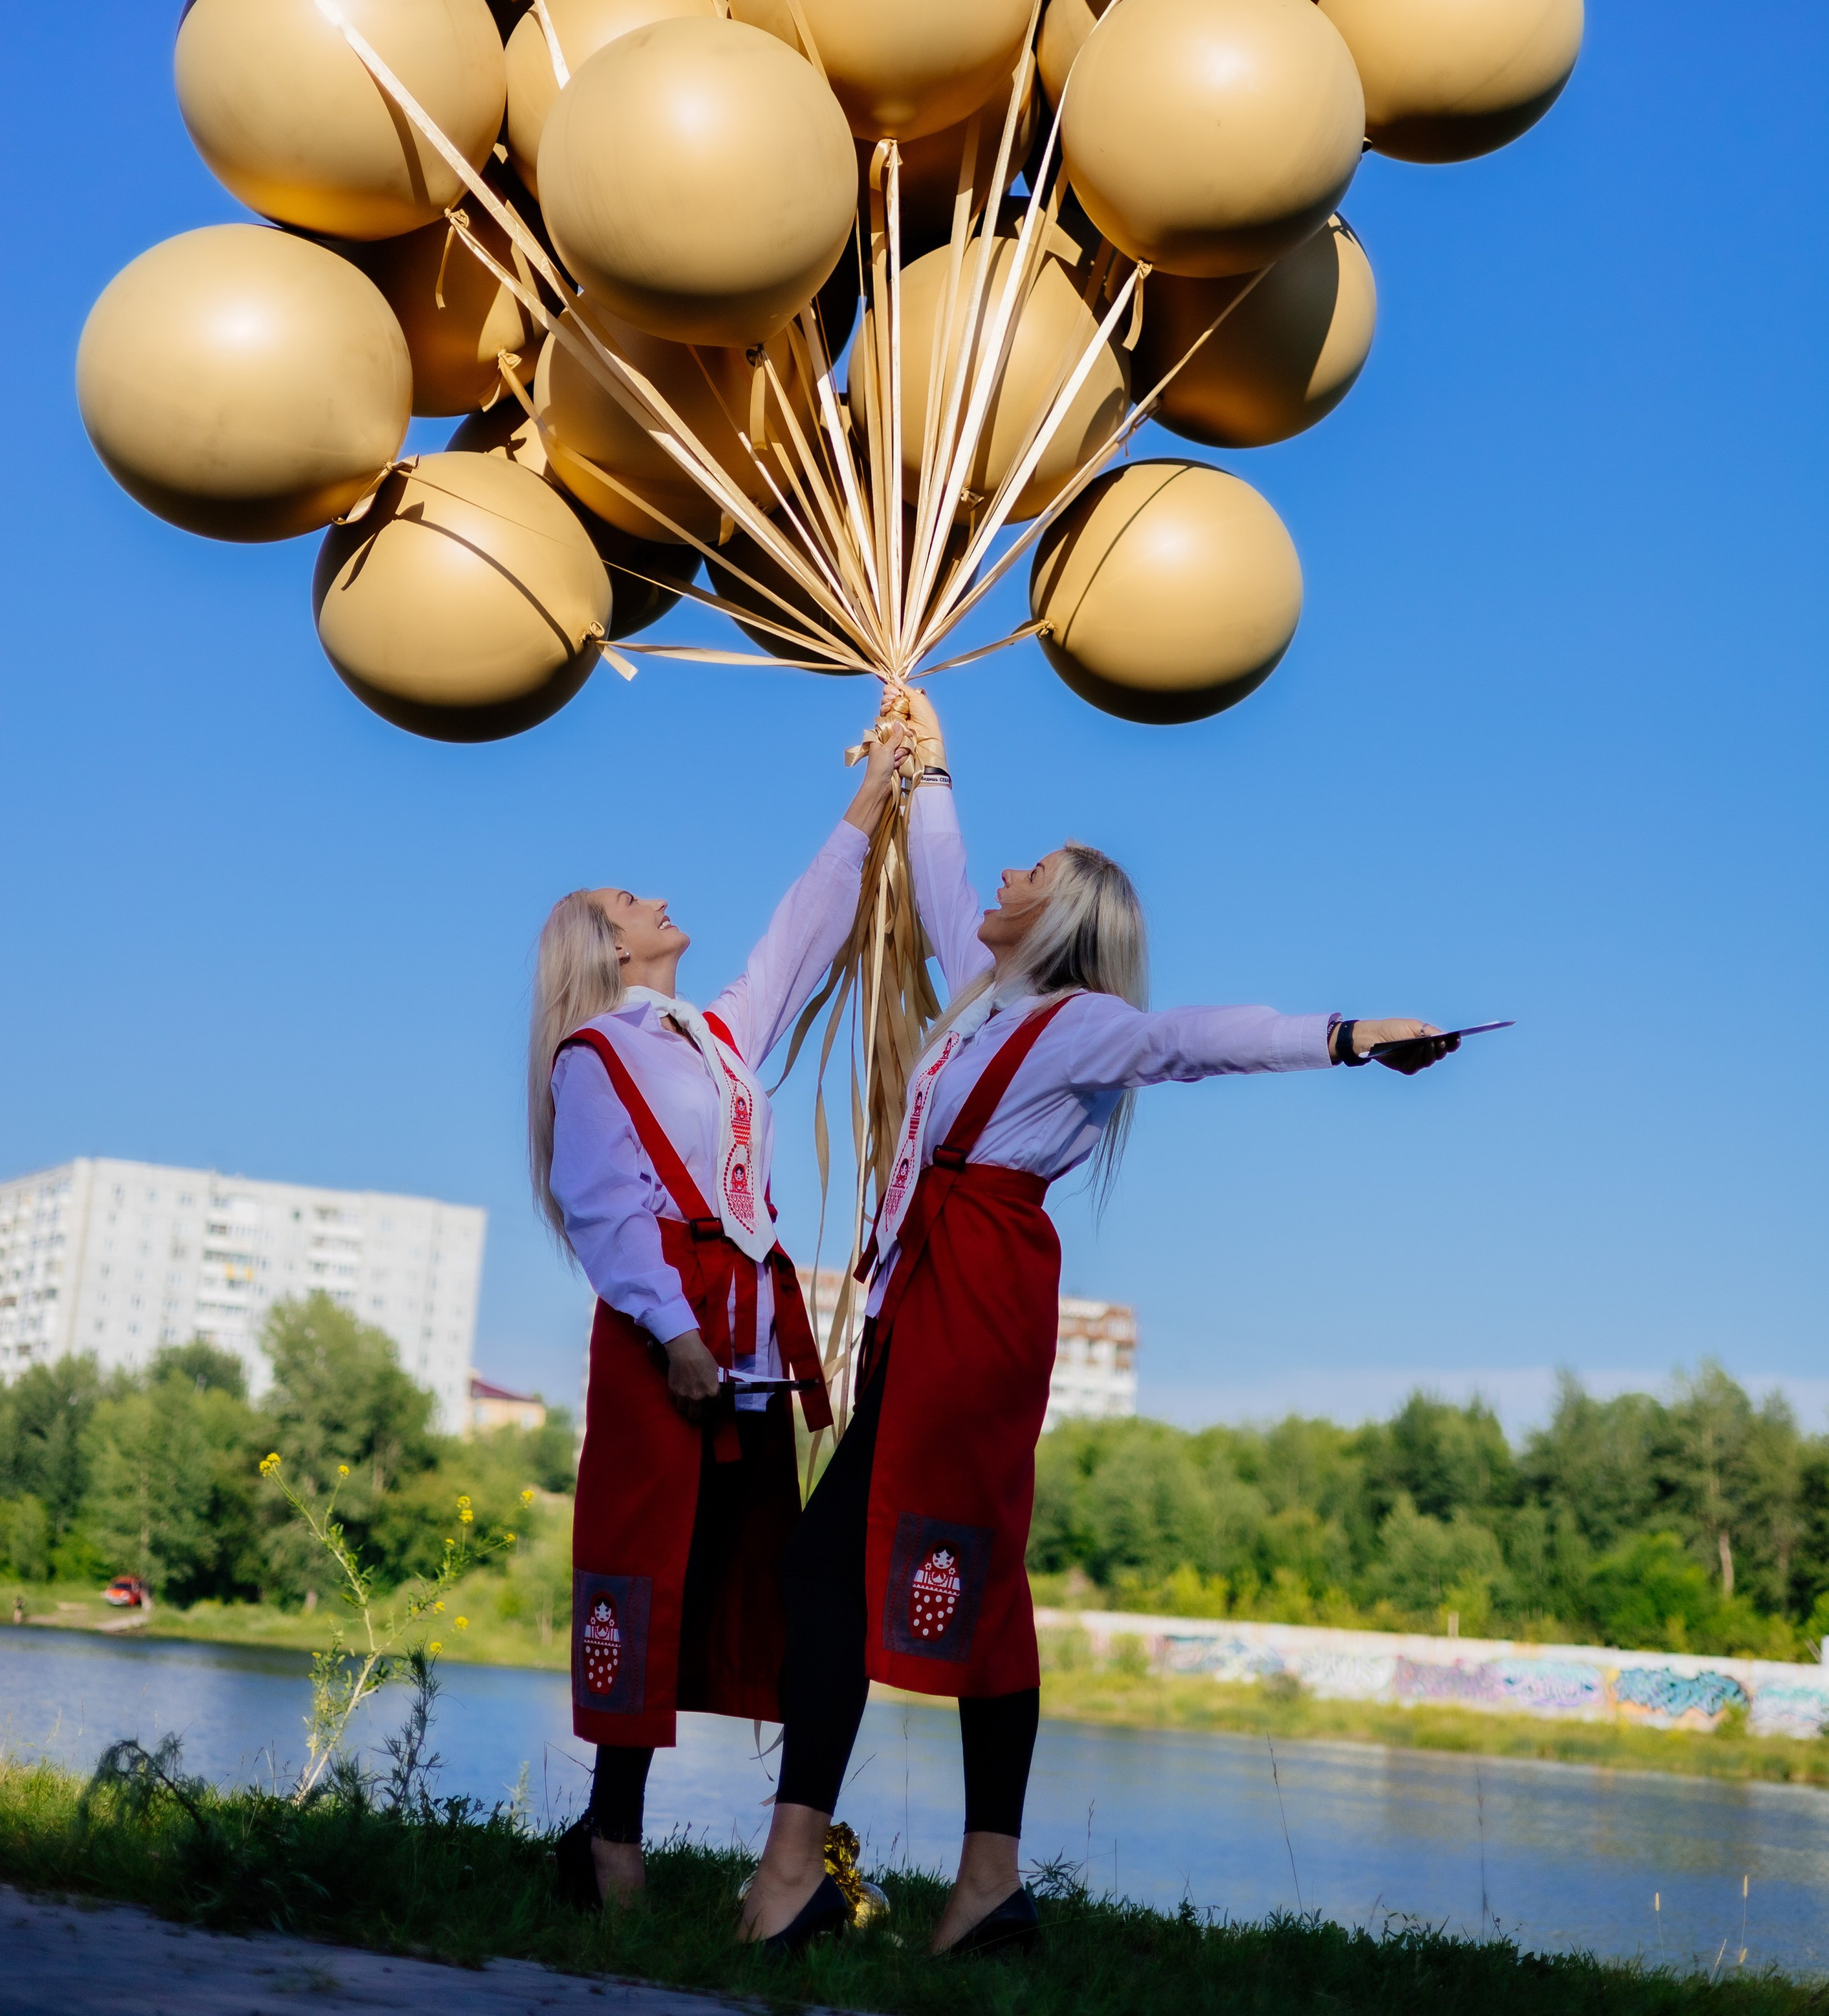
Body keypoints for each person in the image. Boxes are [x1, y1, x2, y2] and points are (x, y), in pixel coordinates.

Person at [739, 689, 1459, 1956]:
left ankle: (821, 1873)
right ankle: (965, 1883)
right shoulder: (986, 985)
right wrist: (939, 770)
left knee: (896, 1568)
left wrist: (1349, 1037)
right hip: (927, 1299)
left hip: (979, 1313)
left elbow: (1197, 1041)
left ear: (1063, 918)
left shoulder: (1081, 1027)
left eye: (1039, 871)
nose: (1006, 874)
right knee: (880, 1570)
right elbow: (956, 869)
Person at [532, 715, 914, 1910]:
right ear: (605, 946)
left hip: (740, 1337)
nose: (657, 898)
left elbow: (800, 936)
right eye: (630, 899)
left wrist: (871, 805)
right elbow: (599, 1209)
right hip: (670, 1337)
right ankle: (613, 1840)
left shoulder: (712, 1038)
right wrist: (676, 1331)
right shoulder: (595, 1053)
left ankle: (741, 1848)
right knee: (642, 1577)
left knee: (743, 1572)